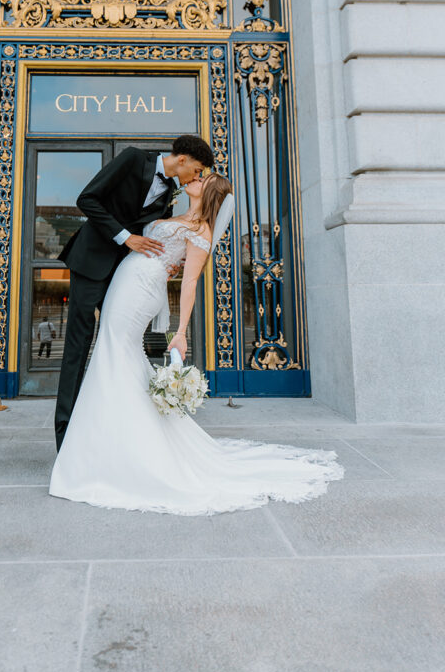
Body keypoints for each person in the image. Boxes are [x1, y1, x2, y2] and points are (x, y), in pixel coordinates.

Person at [49, 172, 344, 515]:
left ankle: (119, 450)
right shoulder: (175, 215)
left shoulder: (200, 231)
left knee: (116, 350)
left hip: (143, 289)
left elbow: (189, 283)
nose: (195, 178)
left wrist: (181, 330)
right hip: (126, 282)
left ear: (210, 192)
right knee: (114, 352)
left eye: (203, 179)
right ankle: (109, 443)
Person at [54, 134, 215, 451]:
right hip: (90, 263)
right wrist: (125, 237)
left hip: (126, 276)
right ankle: (65, 438)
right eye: (197, 170)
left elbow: (157, 234)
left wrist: (171, 258)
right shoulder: (131, 158)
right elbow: (87, 199)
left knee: (119, 349)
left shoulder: (169, 190)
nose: (197, 178)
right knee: (78, 346)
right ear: (181, 159)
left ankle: (114, 434)